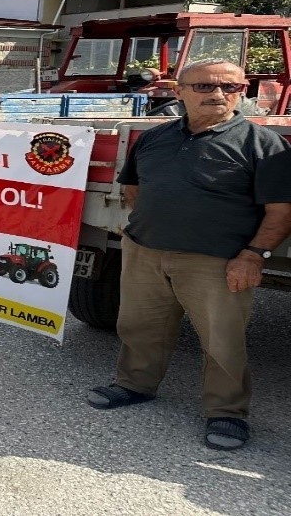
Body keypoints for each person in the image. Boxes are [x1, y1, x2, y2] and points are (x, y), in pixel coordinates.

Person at [86, 58, 291, 451]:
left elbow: (281, 212)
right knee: (139, 326)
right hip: (145, 251)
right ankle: (134, 385)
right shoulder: (154, 138)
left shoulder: (263, 144)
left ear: (241, 91)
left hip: (217, 261)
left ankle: (227, 413)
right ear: (178, 92)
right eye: (204, 86)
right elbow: (133, 190)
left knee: (222, 341)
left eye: (229, 87)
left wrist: (252, 256)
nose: (217, 94)